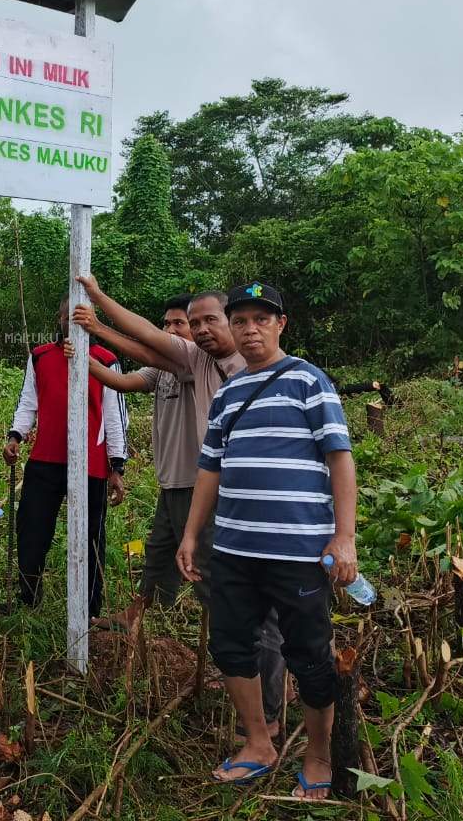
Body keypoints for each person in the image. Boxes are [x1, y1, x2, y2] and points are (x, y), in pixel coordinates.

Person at [72, 277, 287, 741]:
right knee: (222, 593)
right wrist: (97, 311)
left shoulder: (282, 374)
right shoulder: (199, 362)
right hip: (209, 494)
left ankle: (271, 710)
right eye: (193, 323)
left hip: (249, 503)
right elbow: (147, 346)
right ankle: (251, 695)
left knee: (254, 605)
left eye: (211, 320)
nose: (201, 330)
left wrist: (97, 306)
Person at [177, 281, 357, 800]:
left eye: (261, 319)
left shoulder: (310, 382)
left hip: (298, 552)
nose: (249, 329)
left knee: (309, 654)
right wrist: (191, 534)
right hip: (234, 549)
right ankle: (258, 742)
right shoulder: (229, 393)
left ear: (281, 324)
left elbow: (340, 460)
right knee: (232, 645)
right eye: (241, 321)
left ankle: (319, 754)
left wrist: (344, 537)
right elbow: (209, 468)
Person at [65, 294, 195, 605]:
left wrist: (97, 319)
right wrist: (84, 358)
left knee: (200, 558)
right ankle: (144, 613)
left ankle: (228, 633)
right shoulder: (163, 369)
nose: (171, 329)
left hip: (197, 482)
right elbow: (122, 381)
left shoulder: (198, 359)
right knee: (159, 552)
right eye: (167, 323)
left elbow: (146, 339)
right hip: (171, 481)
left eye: (180, 323)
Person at [5, 297, 127, 623]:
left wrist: (117, 465)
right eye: (66, 314)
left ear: (91, 319)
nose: (71, 320)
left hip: (91, 463)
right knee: (32, 530)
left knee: (90, 537)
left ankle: (88, 611)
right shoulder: (41, 356)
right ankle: (29, 601)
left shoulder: (104, 359)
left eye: (79, 315)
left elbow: (114, 416)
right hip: (45, 458)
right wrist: (16, 435)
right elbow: (28, 403)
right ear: (59, 318)